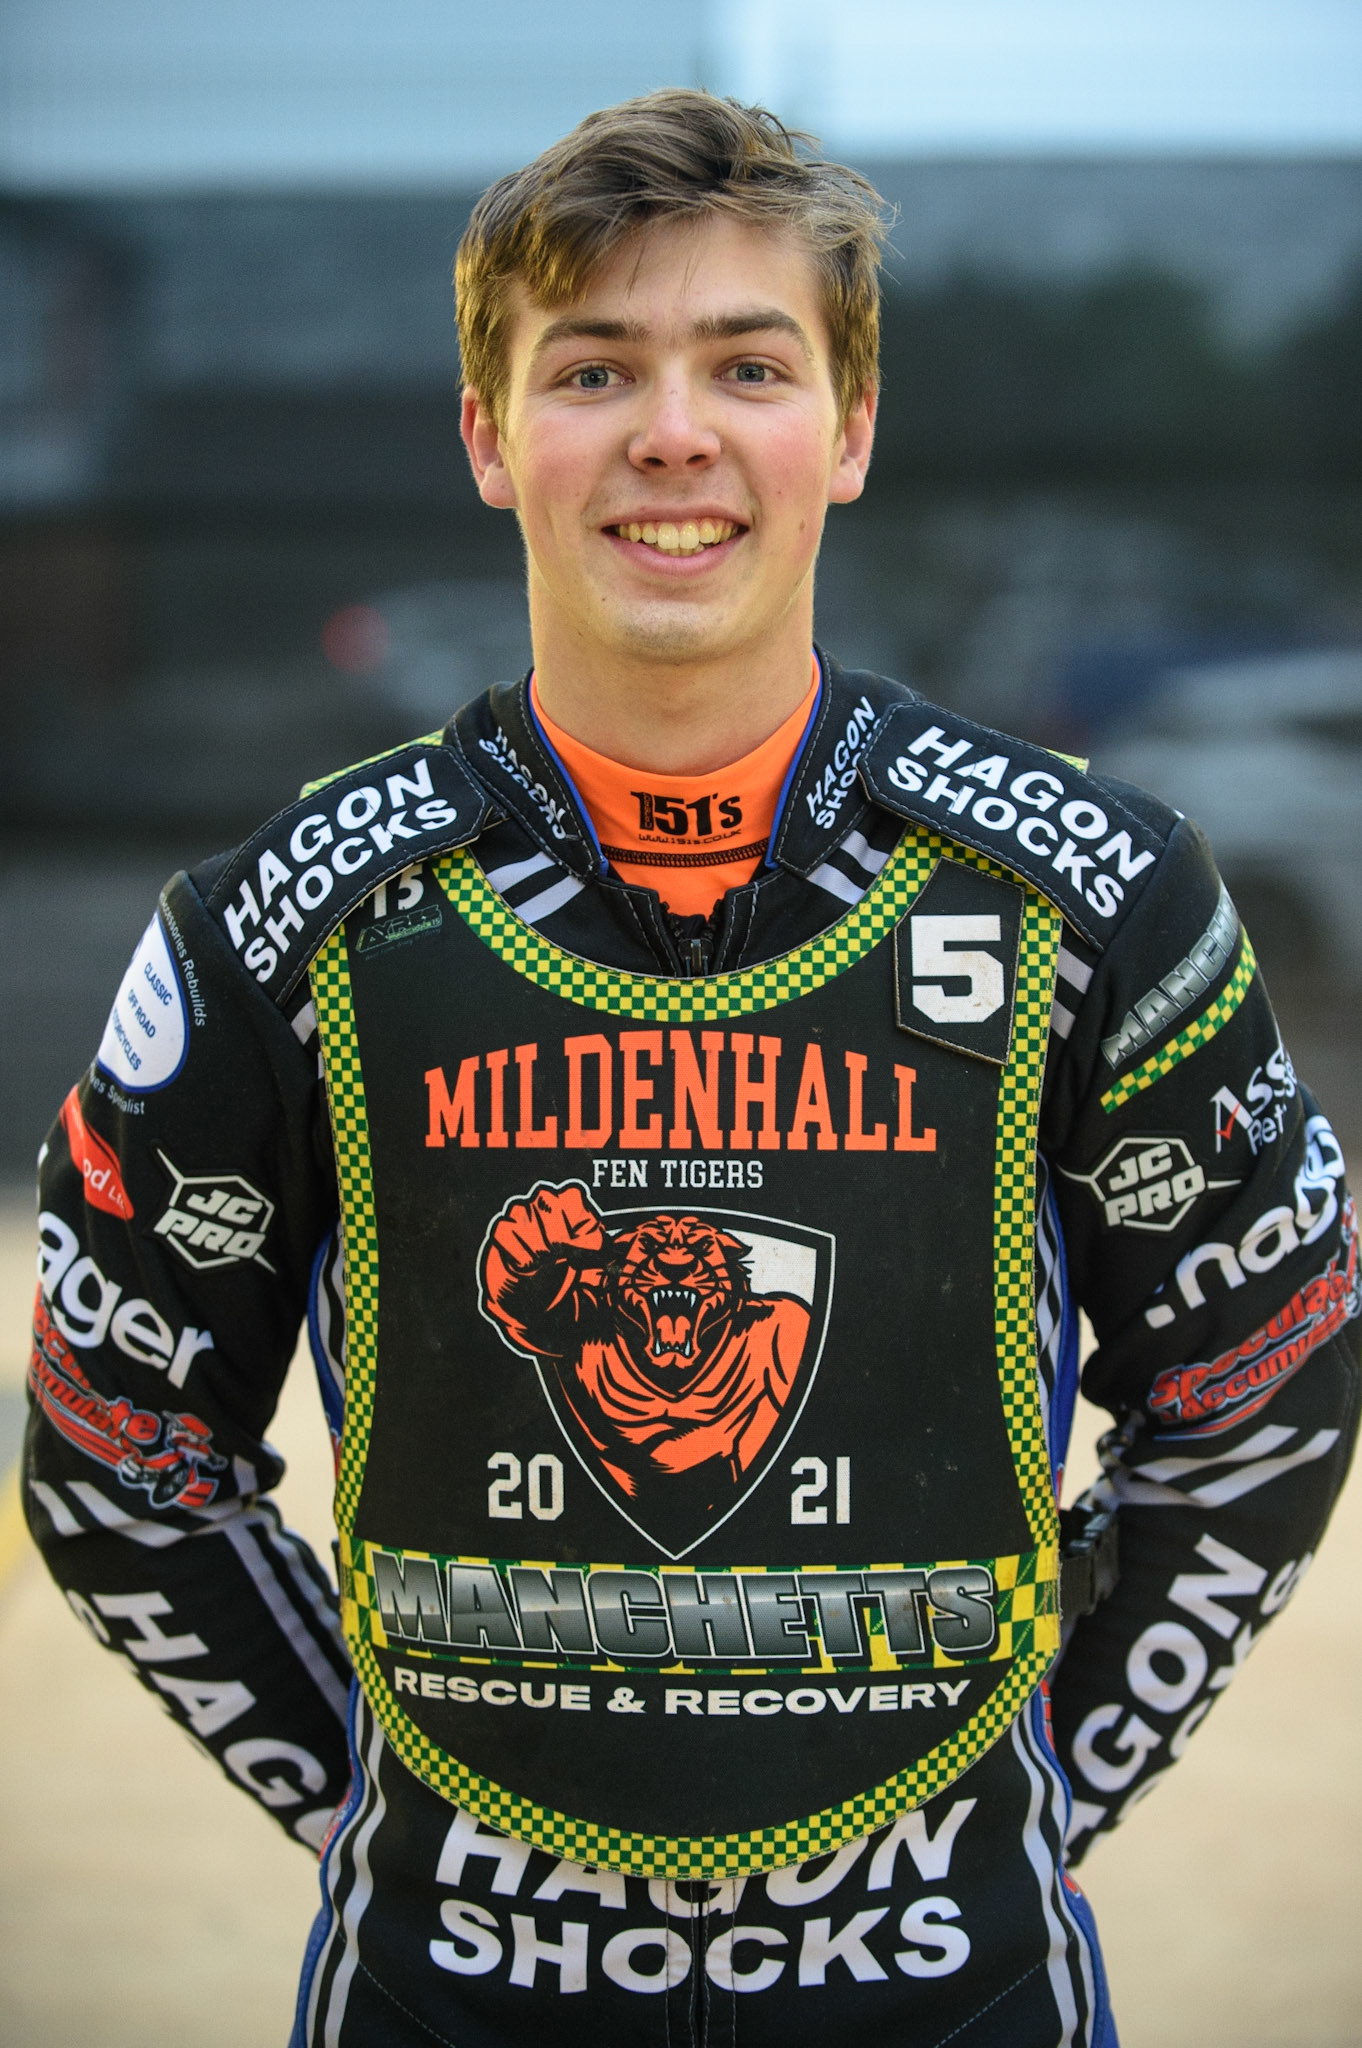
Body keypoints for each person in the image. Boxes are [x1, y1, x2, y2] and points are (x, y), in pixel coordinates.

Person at [24, 90, 1359, 2048]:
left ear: (853, 423)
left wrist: (1021, 1800)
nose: (673, 430)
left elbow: (1260, 1411)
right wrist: (410, 1817)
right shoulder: (281, 921)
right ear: (488, 435)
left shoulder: (1099, 896)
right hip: (443, 1992)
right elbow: (113, 1460)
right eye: (592, 367)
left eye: (749, 362)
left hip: (959, 1986)